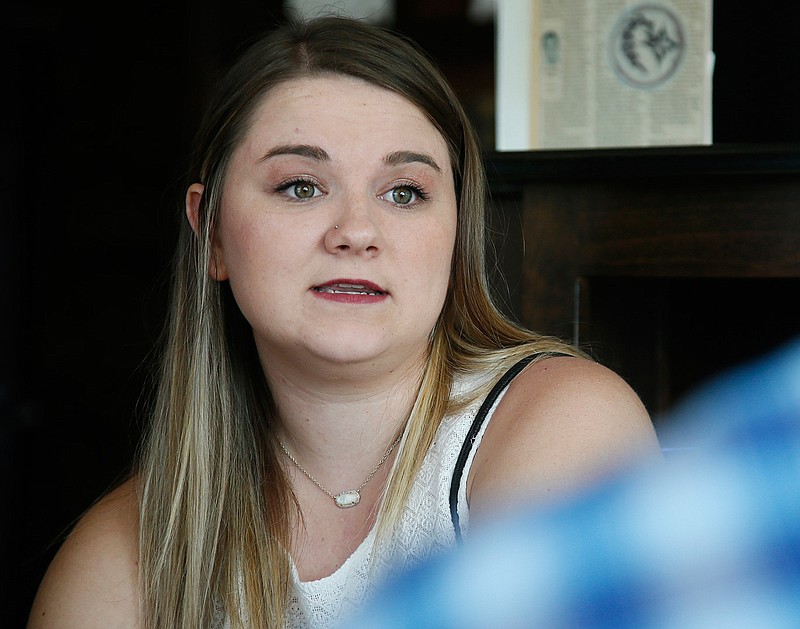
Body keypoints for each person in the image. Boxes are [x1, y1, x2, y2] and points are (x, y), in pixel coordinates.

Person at [27, 15, 659, 629]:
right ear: (211, 232)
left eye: (404, 192)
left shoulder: (563, 429)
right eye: (301, 186)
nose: (356, 232)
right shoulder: (123, 555)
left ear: (459, 233)